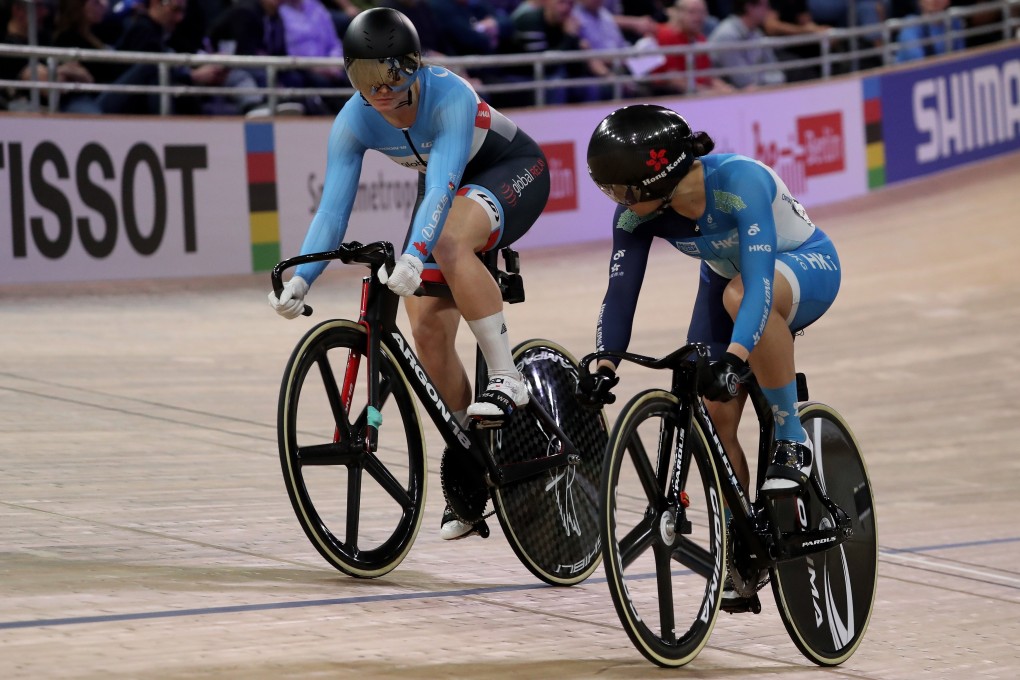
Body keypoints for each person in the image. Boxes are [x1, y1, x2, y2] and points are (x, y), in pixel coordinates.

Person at [268, 8, 551, 540]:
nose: (378, 90)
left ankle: (507, 376)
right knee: (426, 330)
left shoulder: (450, 96)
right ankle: (472, 458)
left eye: (390, 76)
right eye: (362, 78)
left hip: (509, 169)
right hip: (446, 190)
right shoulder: (354, 120)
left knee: (443, 241)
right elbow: (332, 211)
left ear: (414, 67)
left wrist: (416, 253)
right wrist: (301, 281)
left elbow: (442, 185)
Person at [580, 105, 841, 600]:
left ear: (658, 176)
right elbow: (620, 293)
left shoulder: (738, 182)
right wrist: (605, 363)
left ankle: (791, 436)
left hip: (802, 266)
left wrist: (737, 357)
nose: (618, 202)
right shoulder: (639, 214)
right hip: (728, 282)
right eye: (608, 191)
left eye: (623, 190)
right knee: (717, 416)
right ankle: (744, 542)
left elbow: (760, 285)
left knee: (739, 297)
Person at [649, 0, 734, 95]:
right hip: (671, 96)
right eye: (692, 12)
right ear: (679, 13)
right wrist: (708, 92)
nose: (698, 17)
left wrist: (729, 90)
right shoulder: (664, 35)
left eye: (702, 12)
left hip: (698, 93)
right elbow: (674, 80)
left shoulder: (701, 39)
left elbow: (707, 76)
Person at [706, 0, 785, 89]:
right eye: (765, 6)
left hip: (756, 91)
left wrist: (765, 79)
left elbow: (776, 72)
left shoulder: (757, 33)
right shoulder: (727, 35)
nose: (768, 10)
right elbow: (743, 81)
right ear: (749, 7)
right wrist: (766, 79)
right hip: (727, 97)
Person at [894, 0, 964, 63]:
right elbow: (919, 64)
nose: (934, 1)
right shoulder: (910, 25)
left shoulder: (954, 22)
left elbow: (961, 57)